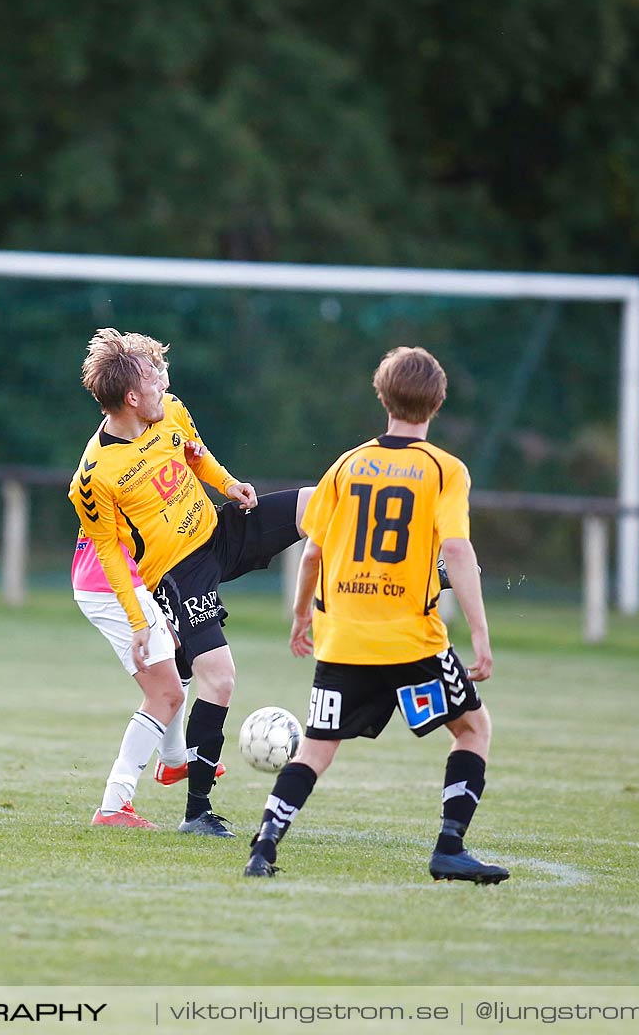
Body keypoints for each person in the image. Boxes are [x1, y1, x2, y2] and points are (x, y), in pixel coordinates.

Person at [242, 345, 507, 883]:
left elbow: (312, 550)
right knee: (473, 730)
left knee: (316, 749)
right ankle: (449, 847)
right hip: (412, 641)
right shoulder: (444, 470)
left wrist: (300, 617)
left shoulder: (347, 465)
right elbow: (457, 551)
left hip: (343, 638)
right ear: (437, 403)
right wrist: (479, 633)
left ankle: (264, 845)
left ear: (381, 395)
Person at [68, 328, 309, 836]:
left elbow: (193, 452)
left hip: (218, 532)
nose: (165, 385)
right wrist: (138, 622)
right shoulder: (94, 477)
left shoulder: (169, 410)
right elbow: (108, 550)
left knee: (320, 501)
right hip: (177, 573)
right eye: (155, 379)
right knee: (218, 678)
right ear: (132, 397)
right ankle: (196, 811)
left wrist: (227, 483)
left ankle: (419, 575)